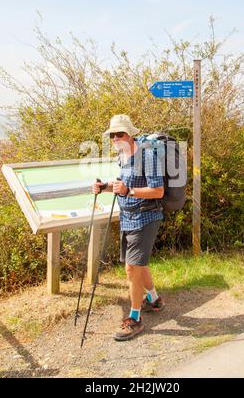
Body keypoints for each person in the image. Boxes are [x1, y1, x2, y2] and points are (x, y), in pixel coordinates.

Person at [92, 114, 165, 341]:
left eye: (119, 134)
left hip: (146, 218)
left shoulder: (148, 157)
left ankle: (135, 318)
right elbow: (122, 185)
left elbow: (158, 191)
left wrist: (128, 192)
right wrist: (104, 187)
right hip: (128, 217)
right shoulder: (122, 156)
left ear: (130, 134)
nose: (115, 138)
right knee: (138, 264)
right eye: (112, 135)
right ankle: (153, 299)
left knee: (132, 268)